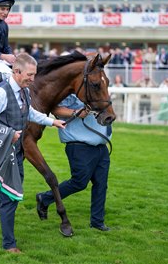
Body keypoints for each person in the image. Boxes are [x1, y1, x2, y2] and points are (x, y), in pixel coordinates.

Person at [0, 53, 66, 254]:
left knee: (10, 194)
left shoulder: (25, 91)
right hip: (2, 153)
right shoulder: (0, 93)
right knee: (11, 196)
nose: (33, 79)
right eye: (30, 74)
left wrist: (51, 121)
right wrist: (8, 133)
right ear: (16, 71)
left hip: (17, 152)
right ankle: (9, 244)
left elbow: (29, 112)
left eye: (35, 74)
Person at [36, 94, 112, 232]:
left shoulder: (97, 87)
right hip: (79, 145)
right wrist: (76, 112)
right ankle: (45, 198)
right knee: (79, 182)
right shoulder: (71, 92)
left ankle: (97, 222)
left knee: (101, 185)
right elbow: (55, 109)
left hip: (101, 145)